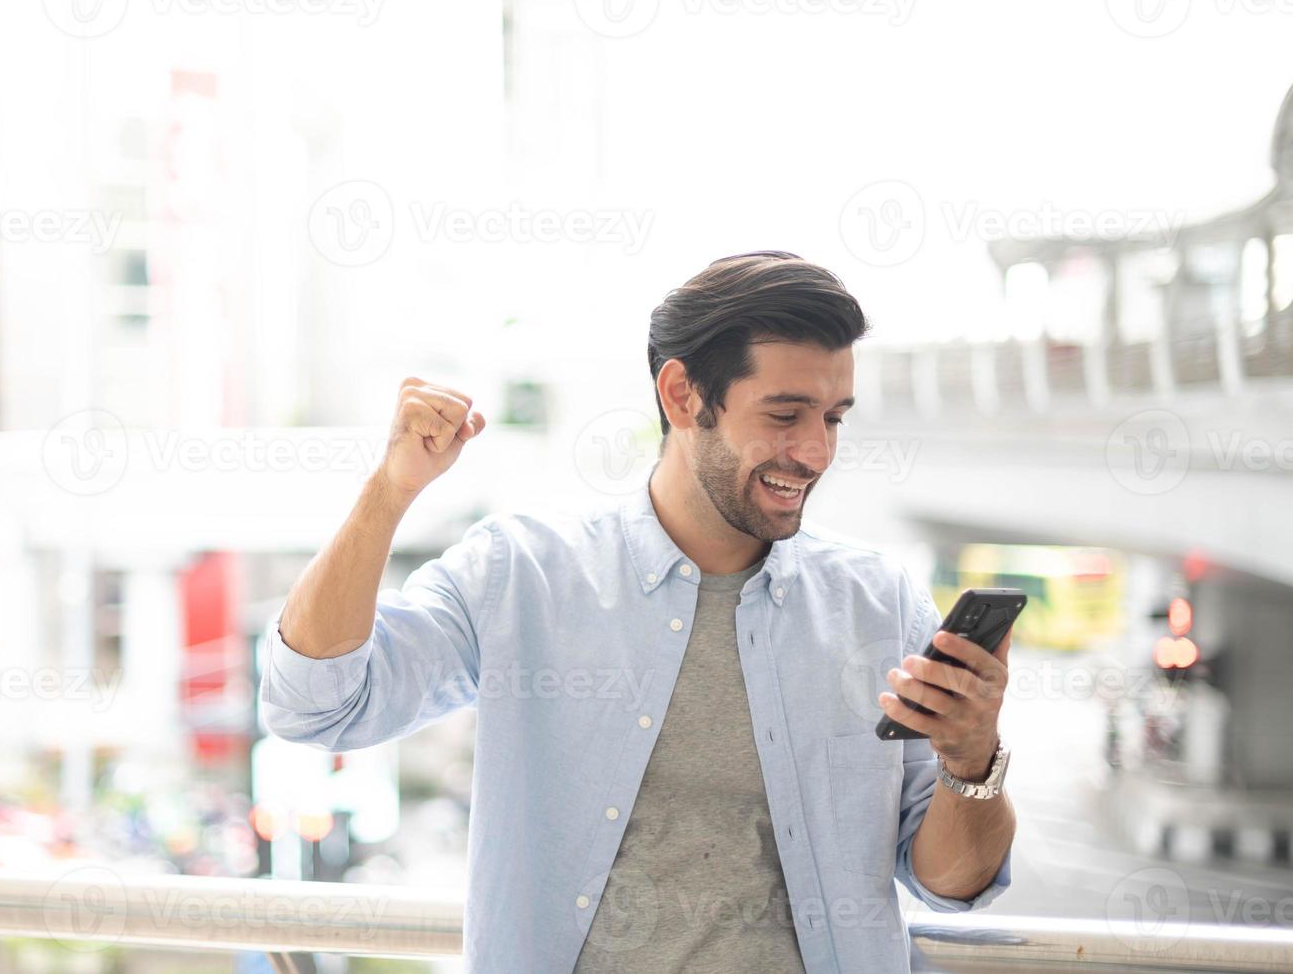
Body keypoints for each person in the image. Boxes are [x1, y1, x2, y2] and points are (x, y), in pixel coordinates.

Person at [259, 251, 1016, 973]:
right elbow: (316, 705)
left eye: (835, 418)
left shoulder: (879, 604)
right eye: (786, 415)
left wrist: (971, 761)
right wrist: (390, 491)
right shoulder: (521, 574)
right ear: (682, 394)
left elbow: (948, 884)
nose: (816, 452)